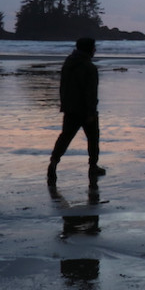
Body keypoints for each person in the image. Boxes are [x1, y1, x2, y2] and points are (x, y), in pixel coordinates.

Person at [47, 37, 106, 187]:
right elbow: (90, 92)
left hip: (70, 108)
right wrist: (91, 112)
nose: (95, 50)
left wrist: (65, 104)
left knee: (65, 137)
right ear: (89, 49)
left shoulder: (69, 63)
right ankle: (93, 166)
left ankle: (54, 162)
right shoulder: (89, 67)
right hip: (85, 110)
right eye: (94, 47)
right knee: (93, 139)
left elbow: (63, 86)